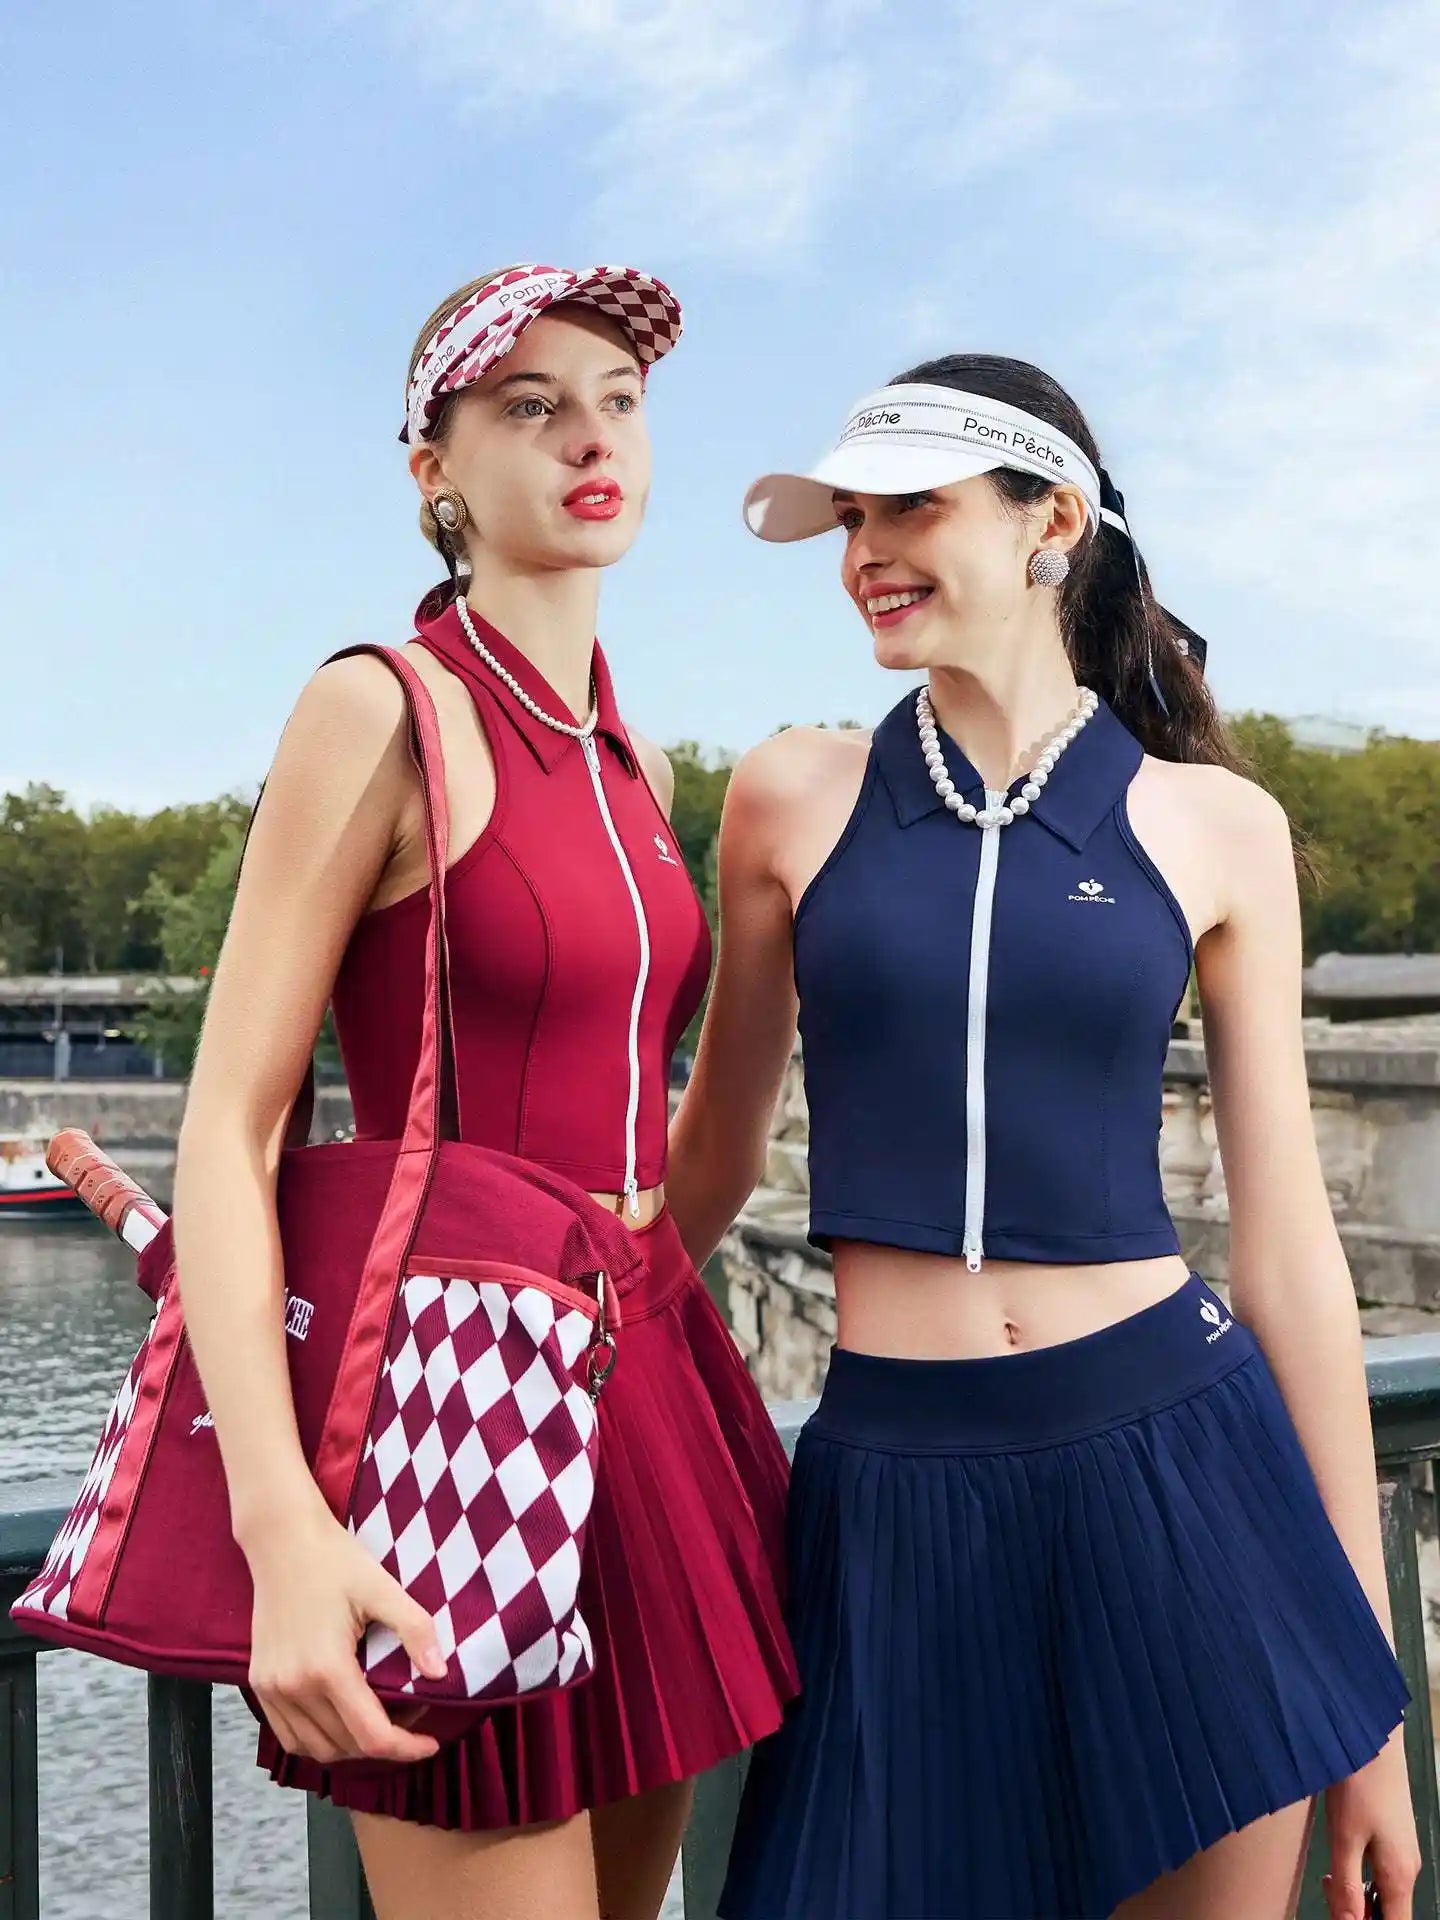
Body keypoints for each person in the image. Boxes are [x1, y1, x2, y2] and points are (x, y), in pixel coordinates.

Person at [665, 358, 1419, 1920]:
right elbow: (708, 1167)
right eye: (849, 518)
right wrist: (529, 1307)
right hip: (893, 1495)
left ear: (1048, 522)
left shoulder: (1220, 827)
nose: (866, 548)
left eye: (912, 508)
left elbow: (1288, 1252)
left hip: (1184, 1477)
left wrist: (1371, 1699)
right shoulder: (790, 797)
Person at [170, 264, 796, 1920]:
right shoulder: (382, 708)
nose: (590, 438)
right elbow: (229, 1133)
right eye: (529, 405)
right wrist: (283, 1527)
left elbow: (674, 1130)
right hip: (458, 1411)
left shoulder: (636, 762)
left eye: (618, 399)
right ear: (432, 466)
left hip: (649, 1382)